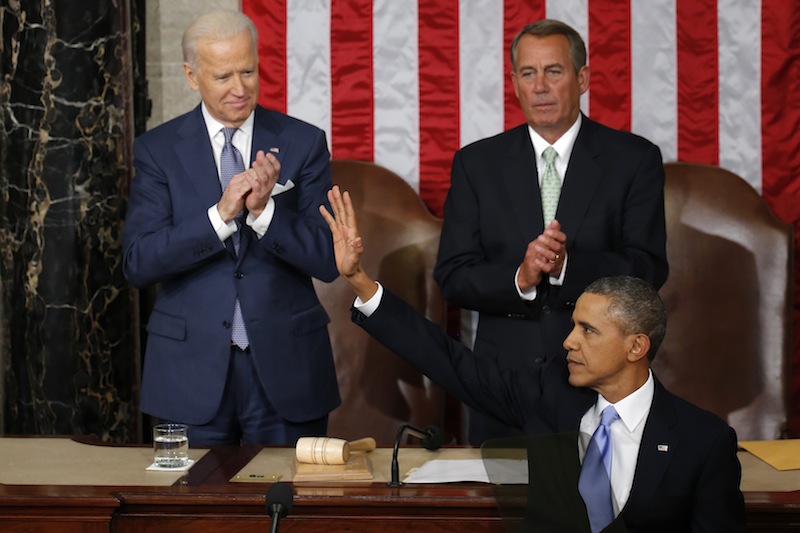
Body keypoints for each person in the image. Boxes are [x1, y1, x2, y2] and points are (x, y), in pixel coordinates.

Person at [320, 186, 744, 532]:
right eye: (573, 325)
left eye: (588, 331)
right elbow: (449, 361)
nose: (568, 342)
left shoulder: (702, 442)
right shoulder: (549, 395)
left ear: (636, 347)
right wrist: (360, 281)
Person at [433, 19, 669, 444]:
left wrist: (567, 267)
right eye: (528, 73)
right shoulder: (477, 164)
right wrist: (519, 278)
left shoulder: (632, 160)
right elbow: (453, 276)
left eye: (553, 71)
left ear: (581, 79)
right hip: (502, 388)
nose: (540, 86)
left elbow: (648, 268)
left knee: (600, 508)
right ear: (515, 83)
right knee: (501, 509)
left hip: (602, 384)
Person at [122, 10, 340, 445]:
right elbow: (139, 263)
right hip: (189, 375)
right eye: (223, 76)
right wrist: (218, 217)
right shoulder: (157, 150)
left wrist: (264, 215)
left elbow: (327, 259)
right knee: (193, 511)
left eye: (248, 71)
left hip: (287, 371)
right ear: (191, 76)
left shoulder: (303, 142)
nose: (239, 89)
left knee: (289, 507)